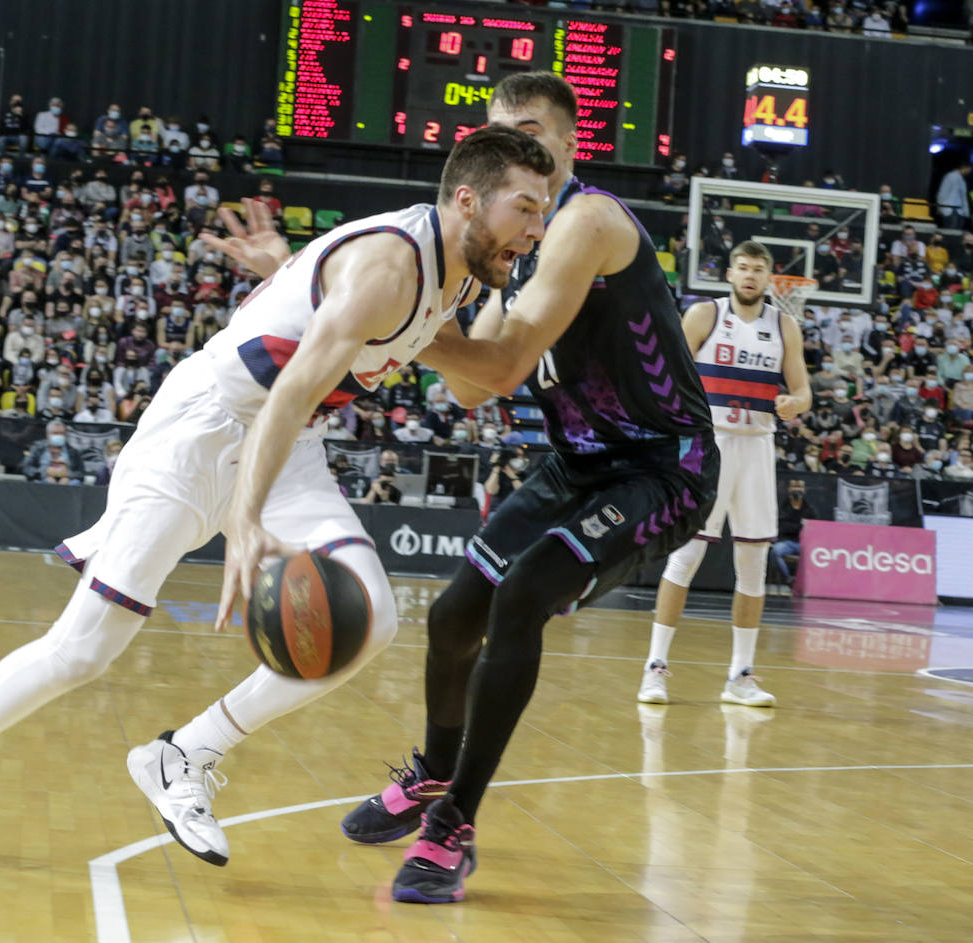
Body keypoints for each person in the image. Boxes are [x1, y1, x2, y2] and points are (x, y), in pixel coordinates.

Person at [0, 127, 552, 869]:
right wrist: (249, 522)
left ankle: (183, 755)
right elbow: (293, 387)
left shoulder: (450, 276)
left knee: (371, 619)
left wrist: (288, 268)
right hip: (206, 426)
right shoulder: (392, 265)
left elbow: (473, 368)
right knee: (85, 648)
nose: (537, 228)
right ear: (466, 200)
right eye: (525, 208)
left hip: (286, 441)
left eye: (544, 212)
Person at [325, 72, 719, 904]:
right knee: (453, 613)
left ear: (573, 143)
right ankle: (434, 771)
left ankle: (454, 824)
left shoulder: (586, 221)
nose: (519, 143)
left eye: (534, 129)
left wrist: (374, 318)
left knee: (522, 596)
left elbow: (498, 365)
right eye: (502, 130)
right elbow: (473, 390)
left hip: (664, 466)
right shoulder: (512, 241)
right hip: (576, 462)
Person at [635, 240, 811, 710]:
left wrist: (796, 402)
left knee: (752, 564)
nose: (750, 275)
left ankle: (741, 675)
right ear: (730, 274)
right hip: (707, 447)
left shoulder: (784, 326)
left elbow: (803, 388)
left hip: (757, 447)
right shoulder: (703, 316)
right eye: (743, 267)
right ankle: (655, 668)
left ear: (769, 278)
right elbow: (667, 372)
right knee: (685, 558)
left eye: (758, 269)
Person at [770, 480, 814, 585]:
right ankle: (789, 579)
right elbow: (782, 527)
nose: (797, 489)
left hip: (804, 544)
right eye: (794, 486)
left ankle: (809, 584)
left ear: (804, 490)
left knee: (817, 554)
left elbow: (813, 529)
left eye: (800, 487)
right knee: (775, 552)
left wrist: (793, 526)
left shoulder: (810, 509)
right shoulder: (782, 507)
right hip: (786, 542)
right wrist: (800, 526)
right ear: (789, 489)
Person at [935, 161, 970, 232]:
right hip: (950, 209)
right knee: (951, 231)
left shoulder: (961, 179)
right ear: (965, 168)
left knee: (957, 232)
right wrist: (940, 207)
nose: (969, 172)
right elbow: (942, 193)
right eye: (969, 169)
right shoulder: (950, 176)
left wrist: (966, 212)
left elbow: (963, 197)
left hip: (959, 211)